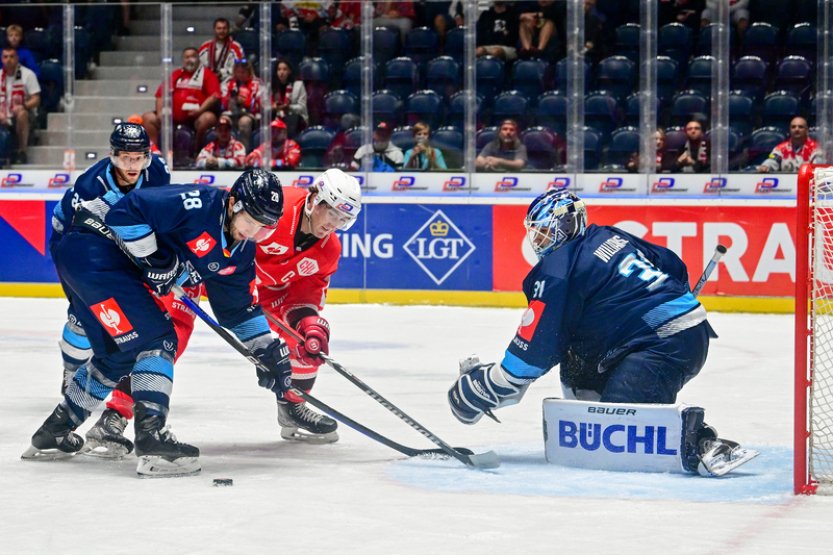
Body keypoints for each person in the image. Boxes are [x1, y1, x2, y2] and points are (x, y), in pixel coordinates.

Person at [447, 189, 756, 477]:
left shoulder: (558, 269)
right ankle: (594, 403)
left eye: (544, 230)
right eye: (535, 232)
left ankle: (701, 442)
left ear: (567, 225)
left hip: (659, 344)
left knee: (615, 436)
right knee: (577, 358)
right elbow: (672, 265)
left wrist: (493, 383)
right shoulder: (609, 235)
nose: (538, 240)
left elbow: (538, 346)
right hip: (673, 333)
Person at [23, 169, 293, 477]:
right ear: (233, 203)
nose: (254, 231)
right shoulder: (198, 203)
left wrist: (266, 348)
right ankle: (153, 438)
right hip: (92, 247)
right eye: (251, 220)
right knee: (159, 340)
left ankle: (54, 432)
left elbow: (238, 310)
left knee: (117, 356)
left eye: (265, 228)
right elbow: (126, 212)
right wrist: (155, 258)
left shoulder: (240, 253)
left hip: (86, 262)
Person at [49, 123, 189, 458]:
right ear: (113, 156)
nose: (131, 164)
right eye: (125, 157)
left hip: (125, 251)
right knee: (80, 320)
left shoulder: (157, 173)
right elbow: (65, 236)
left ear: (147, 157)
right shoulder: (88, 187)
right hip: (79, 248)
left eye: (138, 157)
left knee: (129, 328)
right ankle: (71, 375)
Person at [256, 168, 362, 443]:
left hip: (270, 290)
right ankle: (136, 406)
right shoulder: (276, 206)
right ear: (316, 199)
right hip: (220, 277)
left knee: (307, 341)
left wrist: (308, 323)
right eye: (333, 213)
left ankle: (292, 407)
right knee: (167, 329)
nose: (334, 224)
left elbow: (306, 293)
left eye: (343, 219)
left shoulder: (329, 250)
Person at [142, 47, 221, 156]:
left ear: (199, 59)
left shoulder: (207, 75)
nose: (190, 60)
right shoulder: (176, 74)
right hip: (173, 116)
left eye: (193, 56)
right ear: (183, 60)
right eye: (187, 57)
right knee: (148, 118)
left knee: (208, 118)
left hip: (196, 116)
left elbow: (214, 96)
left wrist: (200, 110)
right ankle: (155, 153)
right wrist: (160, 113)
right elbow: (160, 95)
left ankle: (197, 152)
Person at [0, 46, 40, 165]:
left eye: (11, 57)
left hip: (23, 114)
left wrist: (24, 106)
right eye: (5, 57)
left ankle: (21, 152)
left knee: (22, 114)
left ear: (17, 58)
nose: (8, 60)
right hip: (3, 113)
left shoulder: (27, 74)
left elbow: (36, 99)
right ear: (2, 59)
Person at [223, 58, 263, 151]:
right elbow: (222, 101)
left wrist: (245, 102)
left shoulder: (257, 84)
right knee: (223, 122)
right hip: (231, 113)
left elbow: (259, 104)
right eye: (238, 72)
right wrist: (230, 100)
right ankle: (226, 151)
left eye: (243, 72)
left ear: (249, 72)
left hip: (249, 114)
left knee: (244, 123)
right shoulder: (229, 83)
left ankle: (243, 151)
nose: (240, 75)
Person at [757, 116, 822, 173]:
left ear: (806, 130)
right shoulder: (780, 148)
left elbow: (818, 167)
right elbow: (772, 159)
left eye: (800, 127)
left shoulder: (816, 148)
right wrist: (765, 166)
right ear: (790, 130)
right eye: (793, 127)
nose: (797, 129)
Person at [198, 17, 244, 89]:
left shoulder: (236, 47)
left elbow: (239, 67)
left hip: (228, 83)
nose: (221, 31)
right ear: (214, 30)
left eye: (224, 28)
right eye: (219, 28)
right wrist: (209, 75)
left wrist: (221, 73)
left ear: (228, 30)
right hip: (207, 82)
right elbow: (198, 66)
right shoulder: (205, 46)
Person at [271, 58, 308, 139]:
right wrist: (273, 106)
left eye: (284, 69)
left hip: (295, 117)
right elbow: (266, 104)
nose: (281, 72)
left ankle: (291, 141)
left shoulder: (298, 85)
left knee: (291, 117)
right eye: (279, 69)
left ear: (289, 71)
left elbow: (302, 107)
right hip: (277, 114)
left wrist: (289, 107)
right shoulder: (272, 86)